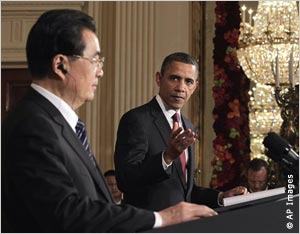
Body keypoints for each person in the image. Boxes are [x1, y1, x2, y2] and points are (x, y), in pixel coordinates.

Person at [1, 10, 218, 233]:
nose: (101, 72)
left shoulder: (56, 122)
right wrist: (160, 218)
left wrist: (220, 198)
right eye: (95, 60)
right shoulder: (33, 125)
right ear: (60, 65)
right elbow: (66, 212)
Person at [114, 52, 247, 212]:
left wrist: (220, 197)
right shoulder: (137, 119)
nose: (181, 87)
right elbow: (126, 180)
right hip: (150, 226)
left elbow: (184, 191)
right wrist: (167, 157)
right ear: (159, 78)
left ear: (195, 86)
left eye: (188, 81)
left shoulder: (187, 126)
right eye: (174, 78)